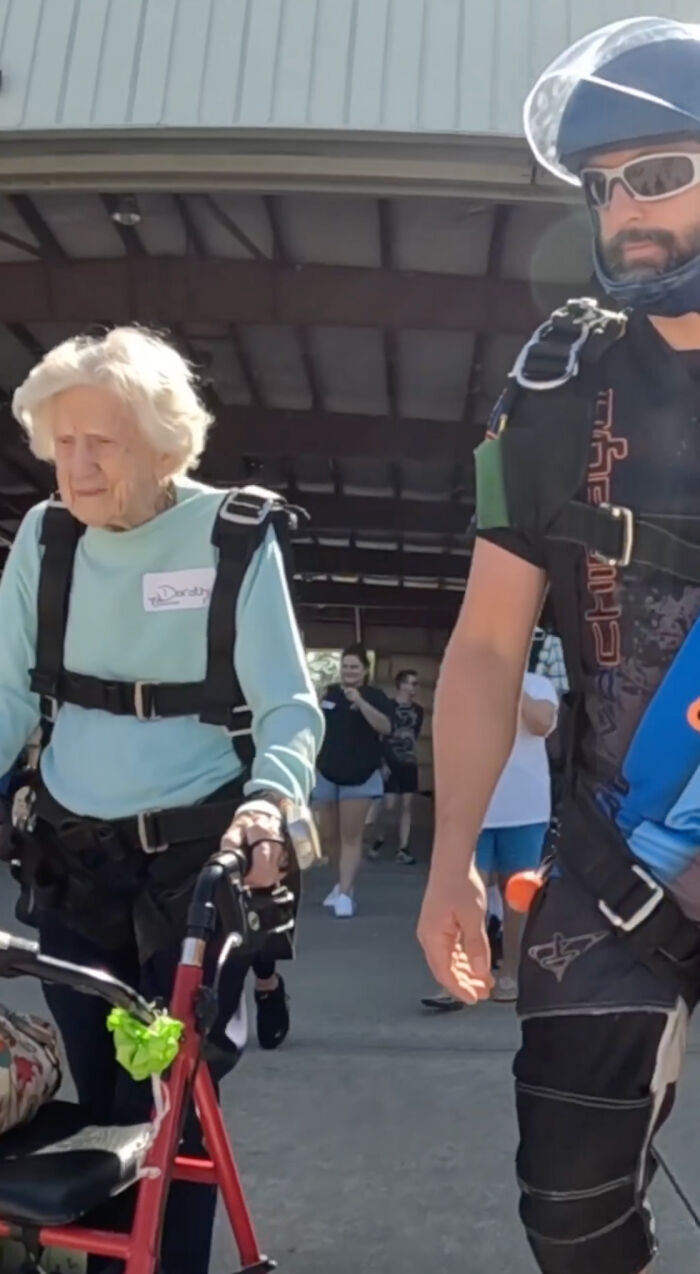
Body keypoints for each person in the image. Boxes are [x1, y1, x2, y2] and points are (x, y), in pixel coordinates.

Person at [418, 17, 700, 1274]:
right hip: (607, 859)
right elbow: (486, 646)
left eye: (658, 173)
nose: (623, 210)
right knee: (572, 1225)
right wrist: (445, 866)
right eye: (601, 185)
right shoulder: (551, 382)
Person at [2, 326, 324, 1274]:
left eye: (102, 440)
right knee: (98, 1090)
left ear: (163, 445)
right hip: (72, 857)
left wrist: (270, 805)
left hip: (195, 866)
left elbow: (288, 704)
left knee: (173, 1106)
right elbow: (8, 692)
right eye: (62, 442)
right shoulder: (46, 536)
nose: (78, 464)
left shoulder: (233, 534)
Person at [474, 669, 557, 1001]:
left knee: (516, 899)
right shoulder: (467, 680)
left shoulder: (539, 685)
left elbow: (541, 724)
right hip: (475, 807)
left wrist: (511, 686)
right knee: (469, 893)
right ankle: (467, 972)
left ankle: (510, 971)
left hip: (524, 808)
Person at [313, 645, 392, 917]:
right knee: (329, 836)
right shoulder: (330, 693)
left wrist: (360, 702)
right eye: (345, 666)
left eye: (354, 667)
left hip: (359, 776)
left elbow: (385, 726)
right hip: (326, 772)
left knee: (351, 836)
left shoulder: (375, 696)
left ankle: (346, 894)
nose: (349, 671)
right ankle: (340, 883)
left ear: (365, 670)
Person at [367, 669, 424, 864]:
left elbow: (414, 734)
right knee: (389, 804)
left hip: (408, 761)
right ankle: (379, 838)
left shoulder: (418, 710)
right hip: (389, 760)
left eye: (416, 684)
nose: (415, 687)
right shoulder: (388, 706)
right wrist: (381, 762)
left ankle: (403, 848)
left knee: (407, 805)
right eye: (411, 683)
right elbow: (380, 735)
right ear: (401, 685)